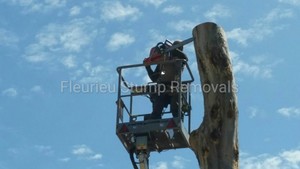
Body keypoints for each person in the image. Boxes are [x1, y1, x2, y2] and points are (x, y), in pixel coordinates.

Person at [143, 40, 188, 119]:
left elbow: (184, 57)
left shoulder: (181, 59)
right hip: (162, 86)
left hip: (174, 86)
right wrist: (148, 67)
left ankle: (177, 117)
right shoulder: (164, 61)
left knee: (177, 96)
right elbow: (154, 78)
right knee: (157, 91)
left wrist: (170, 48)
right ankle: (155, 116)